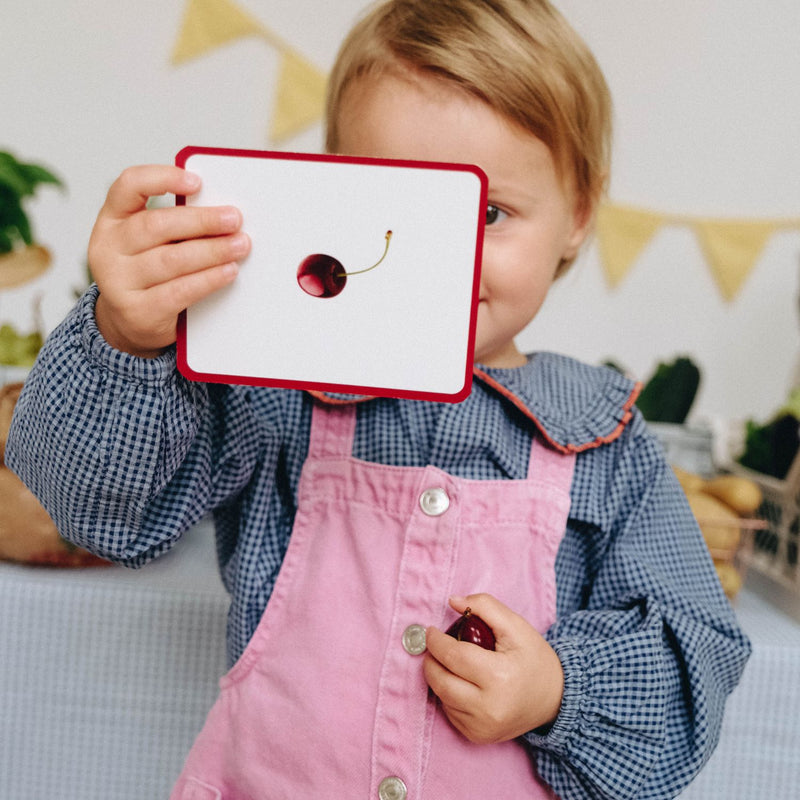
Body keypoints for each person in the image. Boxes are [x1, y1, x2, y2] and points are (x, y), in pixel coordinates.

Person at [7, 0, 750, 797]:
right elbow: (105, 513)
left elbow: (695, 650)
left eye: (489, 213)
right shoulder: (272, 388)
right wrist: (124, 336)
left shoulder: (607, 442)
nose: (444, 261)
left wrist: (558, 692)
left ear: (578, 214)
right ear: (334, 187)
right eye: (404, 209)